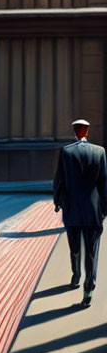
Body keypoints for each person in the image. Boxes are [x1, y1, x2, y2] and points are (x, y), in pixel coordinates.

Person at [53, 119, 107, 308]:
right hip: (93, 211)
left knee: (74, 247)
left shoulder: (66, 152)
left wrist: (57, 201)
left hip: (72, 209)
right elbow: (103, 183)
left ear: (75, 132)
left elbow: (59, 179)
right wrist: (104, 208)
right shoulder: (100, 152)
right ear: (87, 131)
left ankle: (75, 275)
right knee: (92, 252)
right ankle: (88, 289)